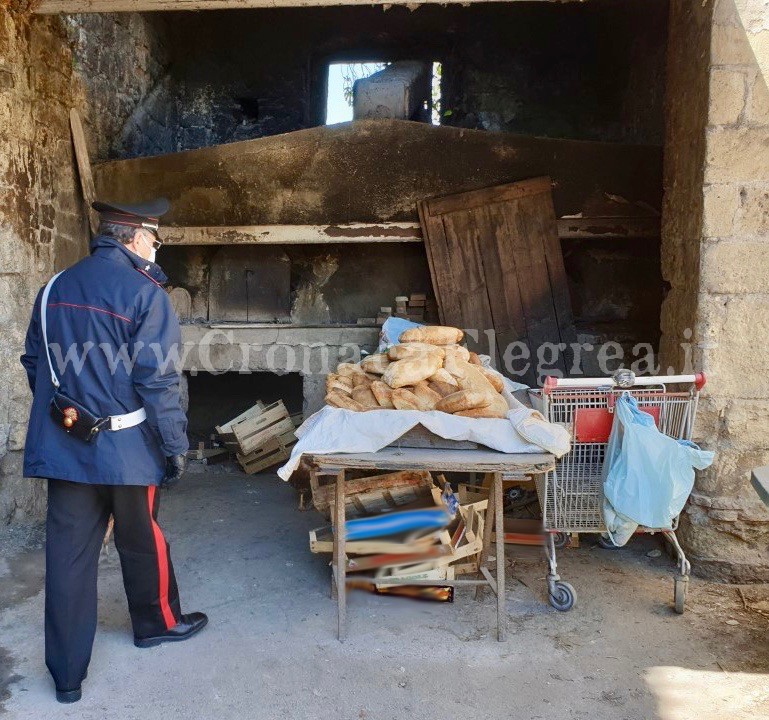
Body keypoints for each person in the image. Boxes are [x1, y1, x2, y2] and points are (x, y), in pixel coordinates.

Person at [20, 198, 208, 704]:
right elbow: (158, 381)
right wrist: (175, 447)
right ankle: (155, 625)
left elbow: (34, 361)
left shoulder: (52, 289)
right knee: (143, 539)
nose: (155, 247)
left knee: (68, 557)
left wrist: (69, 413)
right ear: (134, 237)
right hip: (129, 450)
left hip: (67, 448)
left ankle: (65, 677)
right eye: (154, 238)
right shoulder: (146, 295)